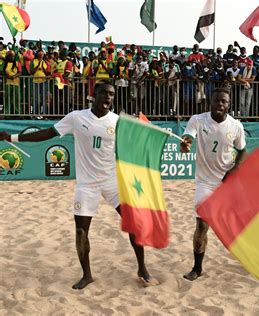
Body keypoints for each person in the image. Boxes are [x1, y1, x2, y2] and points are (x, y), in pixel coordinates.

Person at [0, 83, 157, 290]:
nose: (108, 97)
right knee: (81, 232)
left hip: (112, 182)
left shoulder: (118, 121)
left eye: (111, 94)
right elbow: (47, 133)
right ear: (94, 95)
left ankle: (142, 269)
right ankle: (87, 275)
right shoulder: (76, 117)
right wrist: (12, 137)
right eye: (104, 93)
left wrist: (148, 131)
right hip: (87, 185)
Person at [180, 88, 247, 281]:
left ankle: (251, 259)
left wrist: (234, 170)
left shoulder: (236, 126)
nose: (220, 104)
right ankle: (197, 268)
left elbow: (242, 151)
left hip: (227, 182)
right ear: (210, 102)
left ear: (229, 105)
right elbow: (187, 140)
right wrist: (185, 144)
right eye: (217, 100)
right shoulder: (198, 120)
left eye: (224, 102)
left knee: (241, 223)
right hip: (205, 182)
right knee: (202, 225)